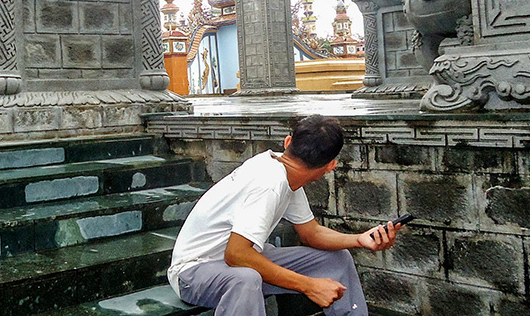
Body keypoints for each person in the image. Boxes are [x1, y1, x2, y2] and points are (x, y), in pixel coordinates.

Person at [168, 115, 403, 316]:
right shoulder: (269, 183)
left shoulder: (285, 172)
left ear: (288, 142)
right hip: (194, 271)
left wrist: (359, 239)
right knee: (246, 279)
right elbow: (237, 255)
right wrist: (309, 285)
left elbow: (311, 233)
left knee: (336, 260)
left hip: (242, 259)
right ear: (331, 165)